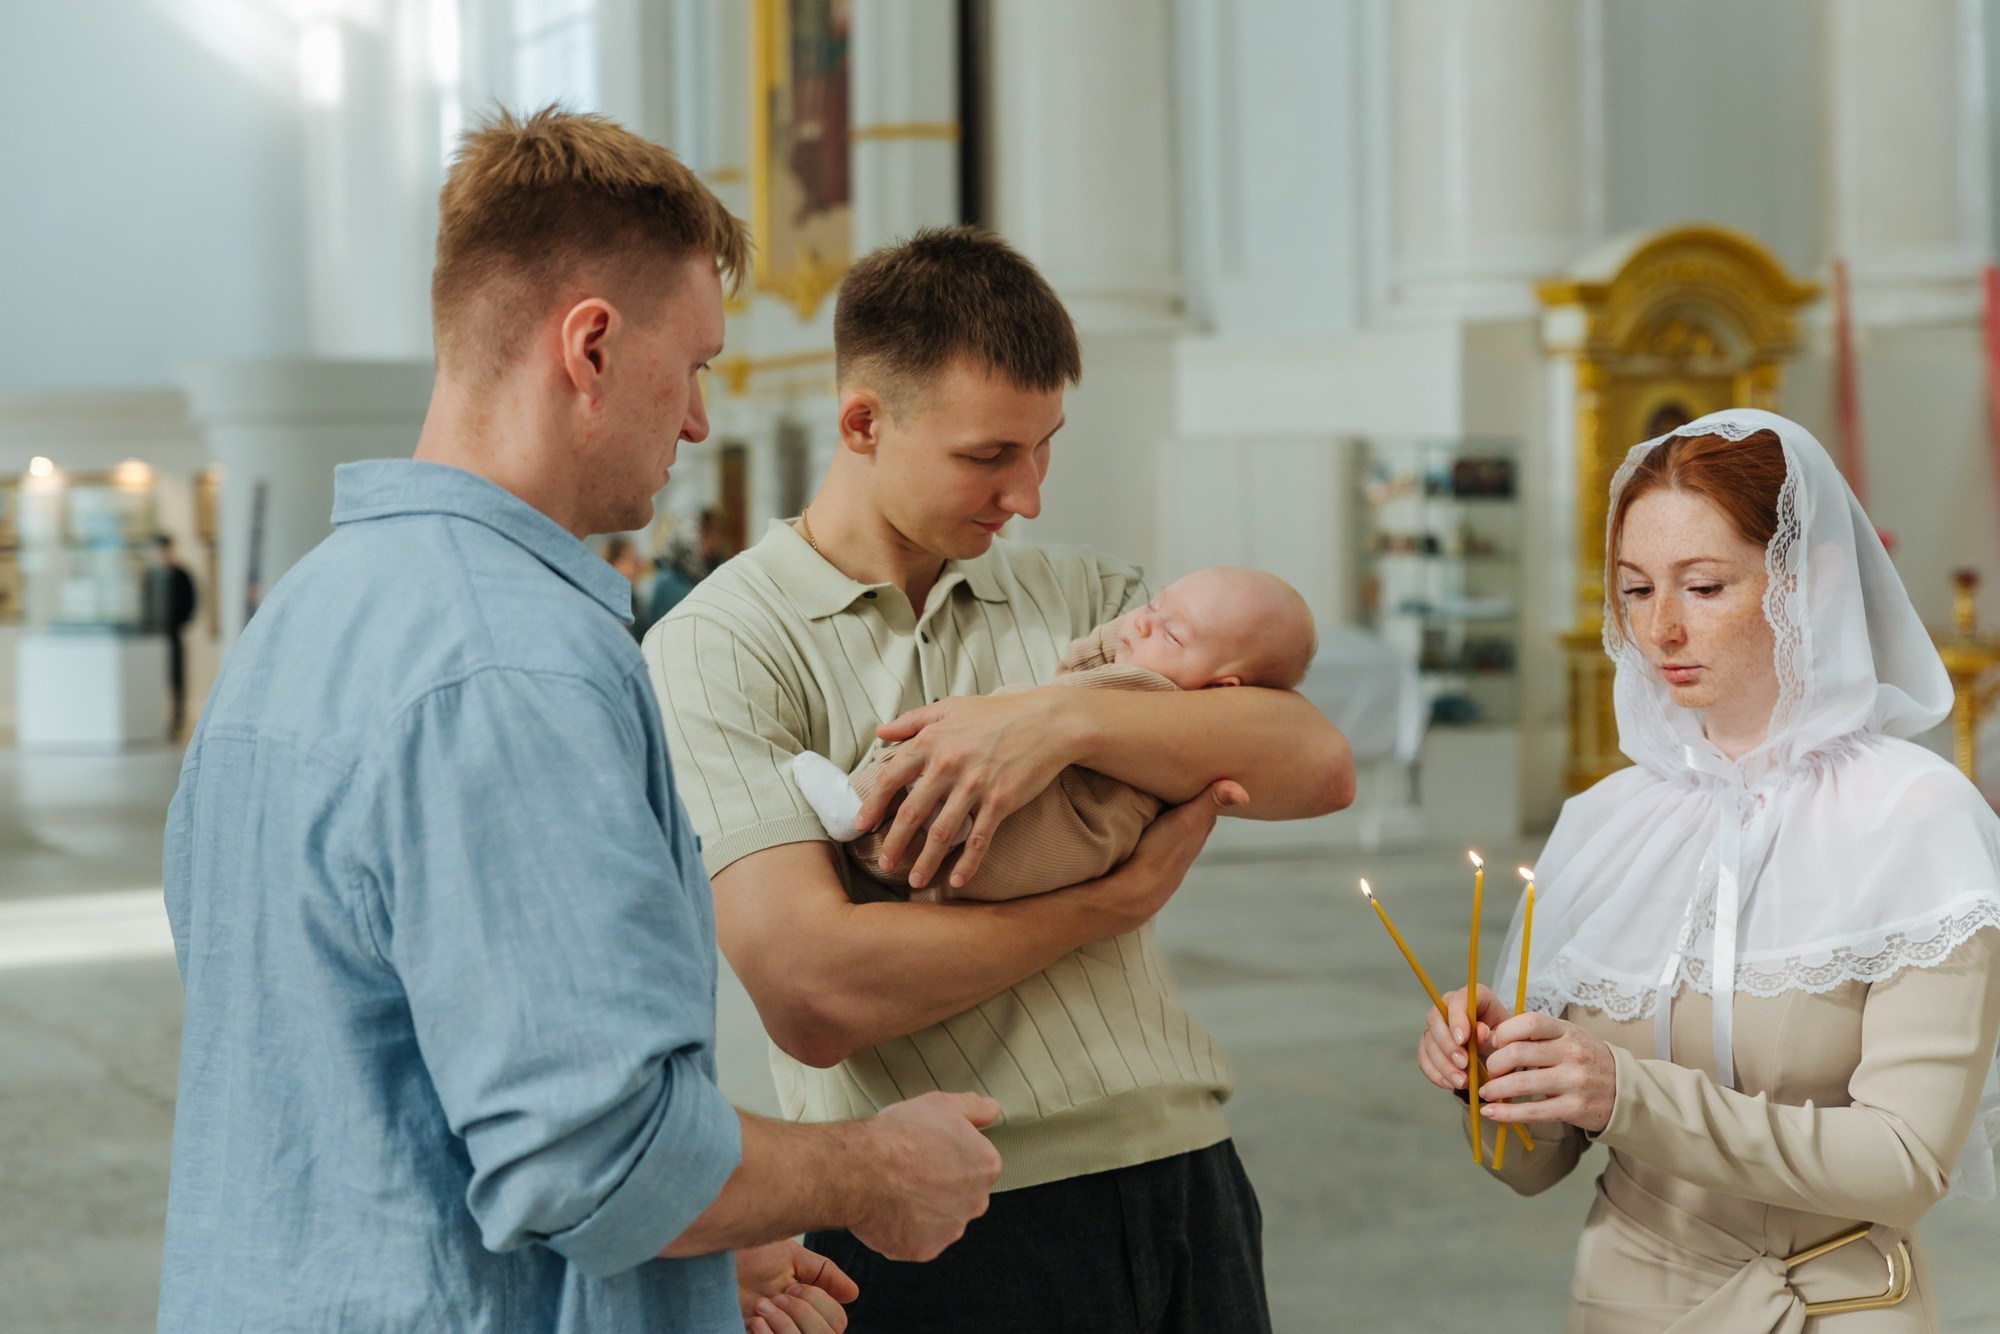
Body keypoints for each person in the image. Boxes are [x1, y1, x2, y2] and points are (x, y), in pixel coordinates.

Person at [159, 109, 1001, 1334]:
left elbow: (368, 1073)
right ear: (592, 346)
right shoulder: (511, 664)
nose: (701, 419)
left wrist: (703, 1239)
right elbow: (594, 1158)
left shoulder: (303, 619)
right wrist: (870, 1168)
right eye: (697, 363)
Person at [645, 226, 1356, 1333]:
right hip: (943, 1211)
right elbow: (815, 992)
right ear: (862, 423)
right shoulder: (718, 645)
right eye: (988, 456)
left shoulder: (1086, 598)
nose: (1025, 496)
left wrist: (1054, 717)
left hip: (1184, 1172)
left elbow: (1316, 763)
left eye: (1044, 448)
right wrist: (1103, 906)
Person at [1415, 409, 2000, 1330]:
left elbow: (1905, 1164)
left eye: (1704, 585)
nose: (1663, 630)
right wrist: (1493, 1078)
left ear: (1810, 584)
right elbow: (1530, 1167)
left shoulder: (1915, 818)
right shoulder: (1602, 824)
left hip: (1840, 1304)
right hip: (1623, 1305)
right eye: (1637, 590)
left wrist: (1622, 1090)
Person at [792, 566, 1318, 901]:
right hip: (1047, 861)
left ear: (1225, 684)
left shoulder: (1146, 689)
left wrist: (1047, 712)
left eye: (1173, 633)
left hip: (1059, 819)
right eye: (1153, 606)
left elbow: (1074, 675)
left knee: (995, 715)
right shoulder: (1192, 728)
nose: (1140, 624)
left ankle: (852, 803)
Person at [145, 533, 198, 738]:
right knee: (158, 677)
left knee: (177, 678)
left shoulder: (182, 575)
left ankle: (178, 720)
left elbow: (191, 602)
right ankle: (158, 719)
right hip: (155, 636)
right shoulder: (151, 576)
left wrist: (182, 622)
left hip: (174, 633)